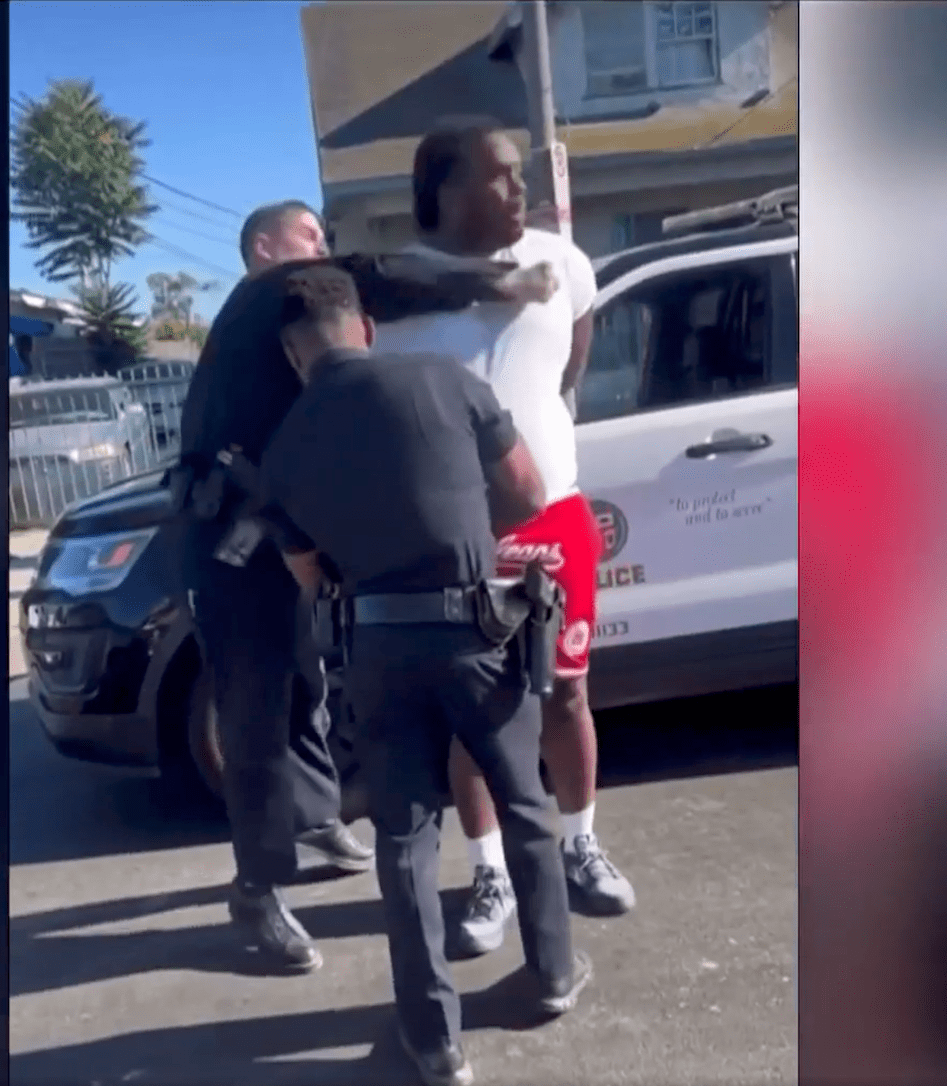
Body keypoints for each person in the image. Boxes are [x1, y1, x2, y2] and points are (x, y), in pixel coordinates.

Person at [178, 200, 565, 975]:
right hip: (233, 539)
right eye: (309, 237)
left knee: (304, 680)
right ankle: (257, 891)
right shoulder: (265, 294)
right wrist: (499, 281)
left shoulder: (272, 334)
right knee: (253, 713)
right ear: (266, 249)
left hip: (283, 521)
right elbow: (369, 278)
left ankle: (314, 816)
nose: (323, 246)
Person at [260, 265, 592, 1086]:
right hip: (478, 632)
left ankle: (434, 1041)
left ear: (292, 355)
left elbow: (311, 580)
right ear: (364, 327)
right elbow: (527, 491)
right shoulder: (446, 380)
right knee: (521, 799)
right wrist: (462, 535)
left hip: (374, 650)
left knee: (403, 837)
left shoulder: (283, 447)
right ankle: (551, 974)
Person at [371, 119, 637, 959]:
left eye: (521, 173)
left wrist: (540, 448)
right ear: (443, 191)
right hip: (458, 537)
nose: (519, 190)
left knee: (564, 694)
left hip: (555, 516)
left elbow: (568, 373)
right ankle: (489, 874)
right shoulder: (394, 289)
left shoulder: (565, 264)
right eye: (498, 176)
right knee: (476, 720)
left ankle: (580, 844)